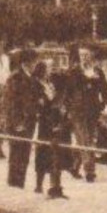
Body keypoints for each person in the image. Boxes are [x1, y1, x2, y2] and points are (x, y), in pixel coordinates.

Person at [66, 51, 107, 182]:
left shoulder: (98, 72)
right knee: (84, 139)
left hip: (93, 111)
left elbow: (105, 90)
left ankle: (74, 166)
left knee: (89, 139)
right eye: (81, 56)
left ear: (92, 57)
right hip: (78, 111)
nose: (84, 58)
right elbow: (69, 90)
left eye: (87, 56)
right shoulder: (75, 72)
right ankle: (90, 171)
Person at [3, 50, 40, 189]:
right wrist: (17, 122)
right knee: (16, 154)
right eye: (34, 62)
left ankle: (19, 184)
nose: (36, 65)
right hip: (17, 123)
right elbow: (10, 102)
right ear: (27, 62)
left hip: (28, 121)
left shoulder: (31, 77)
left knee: (24, 154)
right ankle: (13, 184)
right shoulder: (16, 78)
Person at [34, 60, 68, 198]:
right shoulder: (37, 84)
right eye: (49, 68)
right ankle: (39, 185)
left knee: (55, 153)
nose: (51, 70)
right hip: (44, 122)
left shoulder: (51, 84)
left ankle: (55, 186)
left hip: (54, 119)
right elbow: (41, 103)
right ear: (42, 69)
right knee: (43, 151)